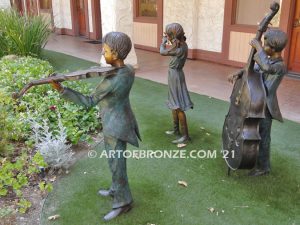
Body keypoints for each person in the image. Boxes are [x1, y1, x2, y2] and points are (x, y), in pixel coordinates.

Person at [51, 31, 141, 220]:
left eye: (105, 50)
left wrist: (62, 89)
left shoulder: (111, 81)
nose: (102, 52)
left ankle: (123, 202)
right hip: (122, 121)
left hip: (115, 127)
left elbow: (88, 101)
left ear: (115, 54)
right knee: (114, 163)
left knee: (117, 165)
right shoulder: (129, 70)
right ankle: (116, 189)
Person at [229, 29, 288, 176]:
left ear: (273, 48)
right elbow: (253, 70)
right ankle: (251, 156)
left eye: (265, 44)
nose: (263, 46)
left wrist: (259, 48)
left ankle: (263, 166)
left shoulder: (280, 66)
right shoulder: (263, 58)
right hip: (255, 101)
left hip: (265, 106)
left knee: (263, 136)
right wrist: (240, 72)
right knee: (253, 133)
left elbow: (266, 67)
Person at [160, 23, 194, 144]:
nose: (166, 36)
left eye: (167, 34)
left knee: (178, 105)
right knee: (174, 103)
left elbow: (162, 52)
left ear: (172, 35)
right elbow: (172, 48)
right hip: (174, 74)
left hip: (175, 76)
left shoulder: (180, 49)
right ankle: (176, 130)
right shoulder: (181, 45)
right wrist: (170, 40)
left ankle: (185, 135)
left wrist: (163, 42)